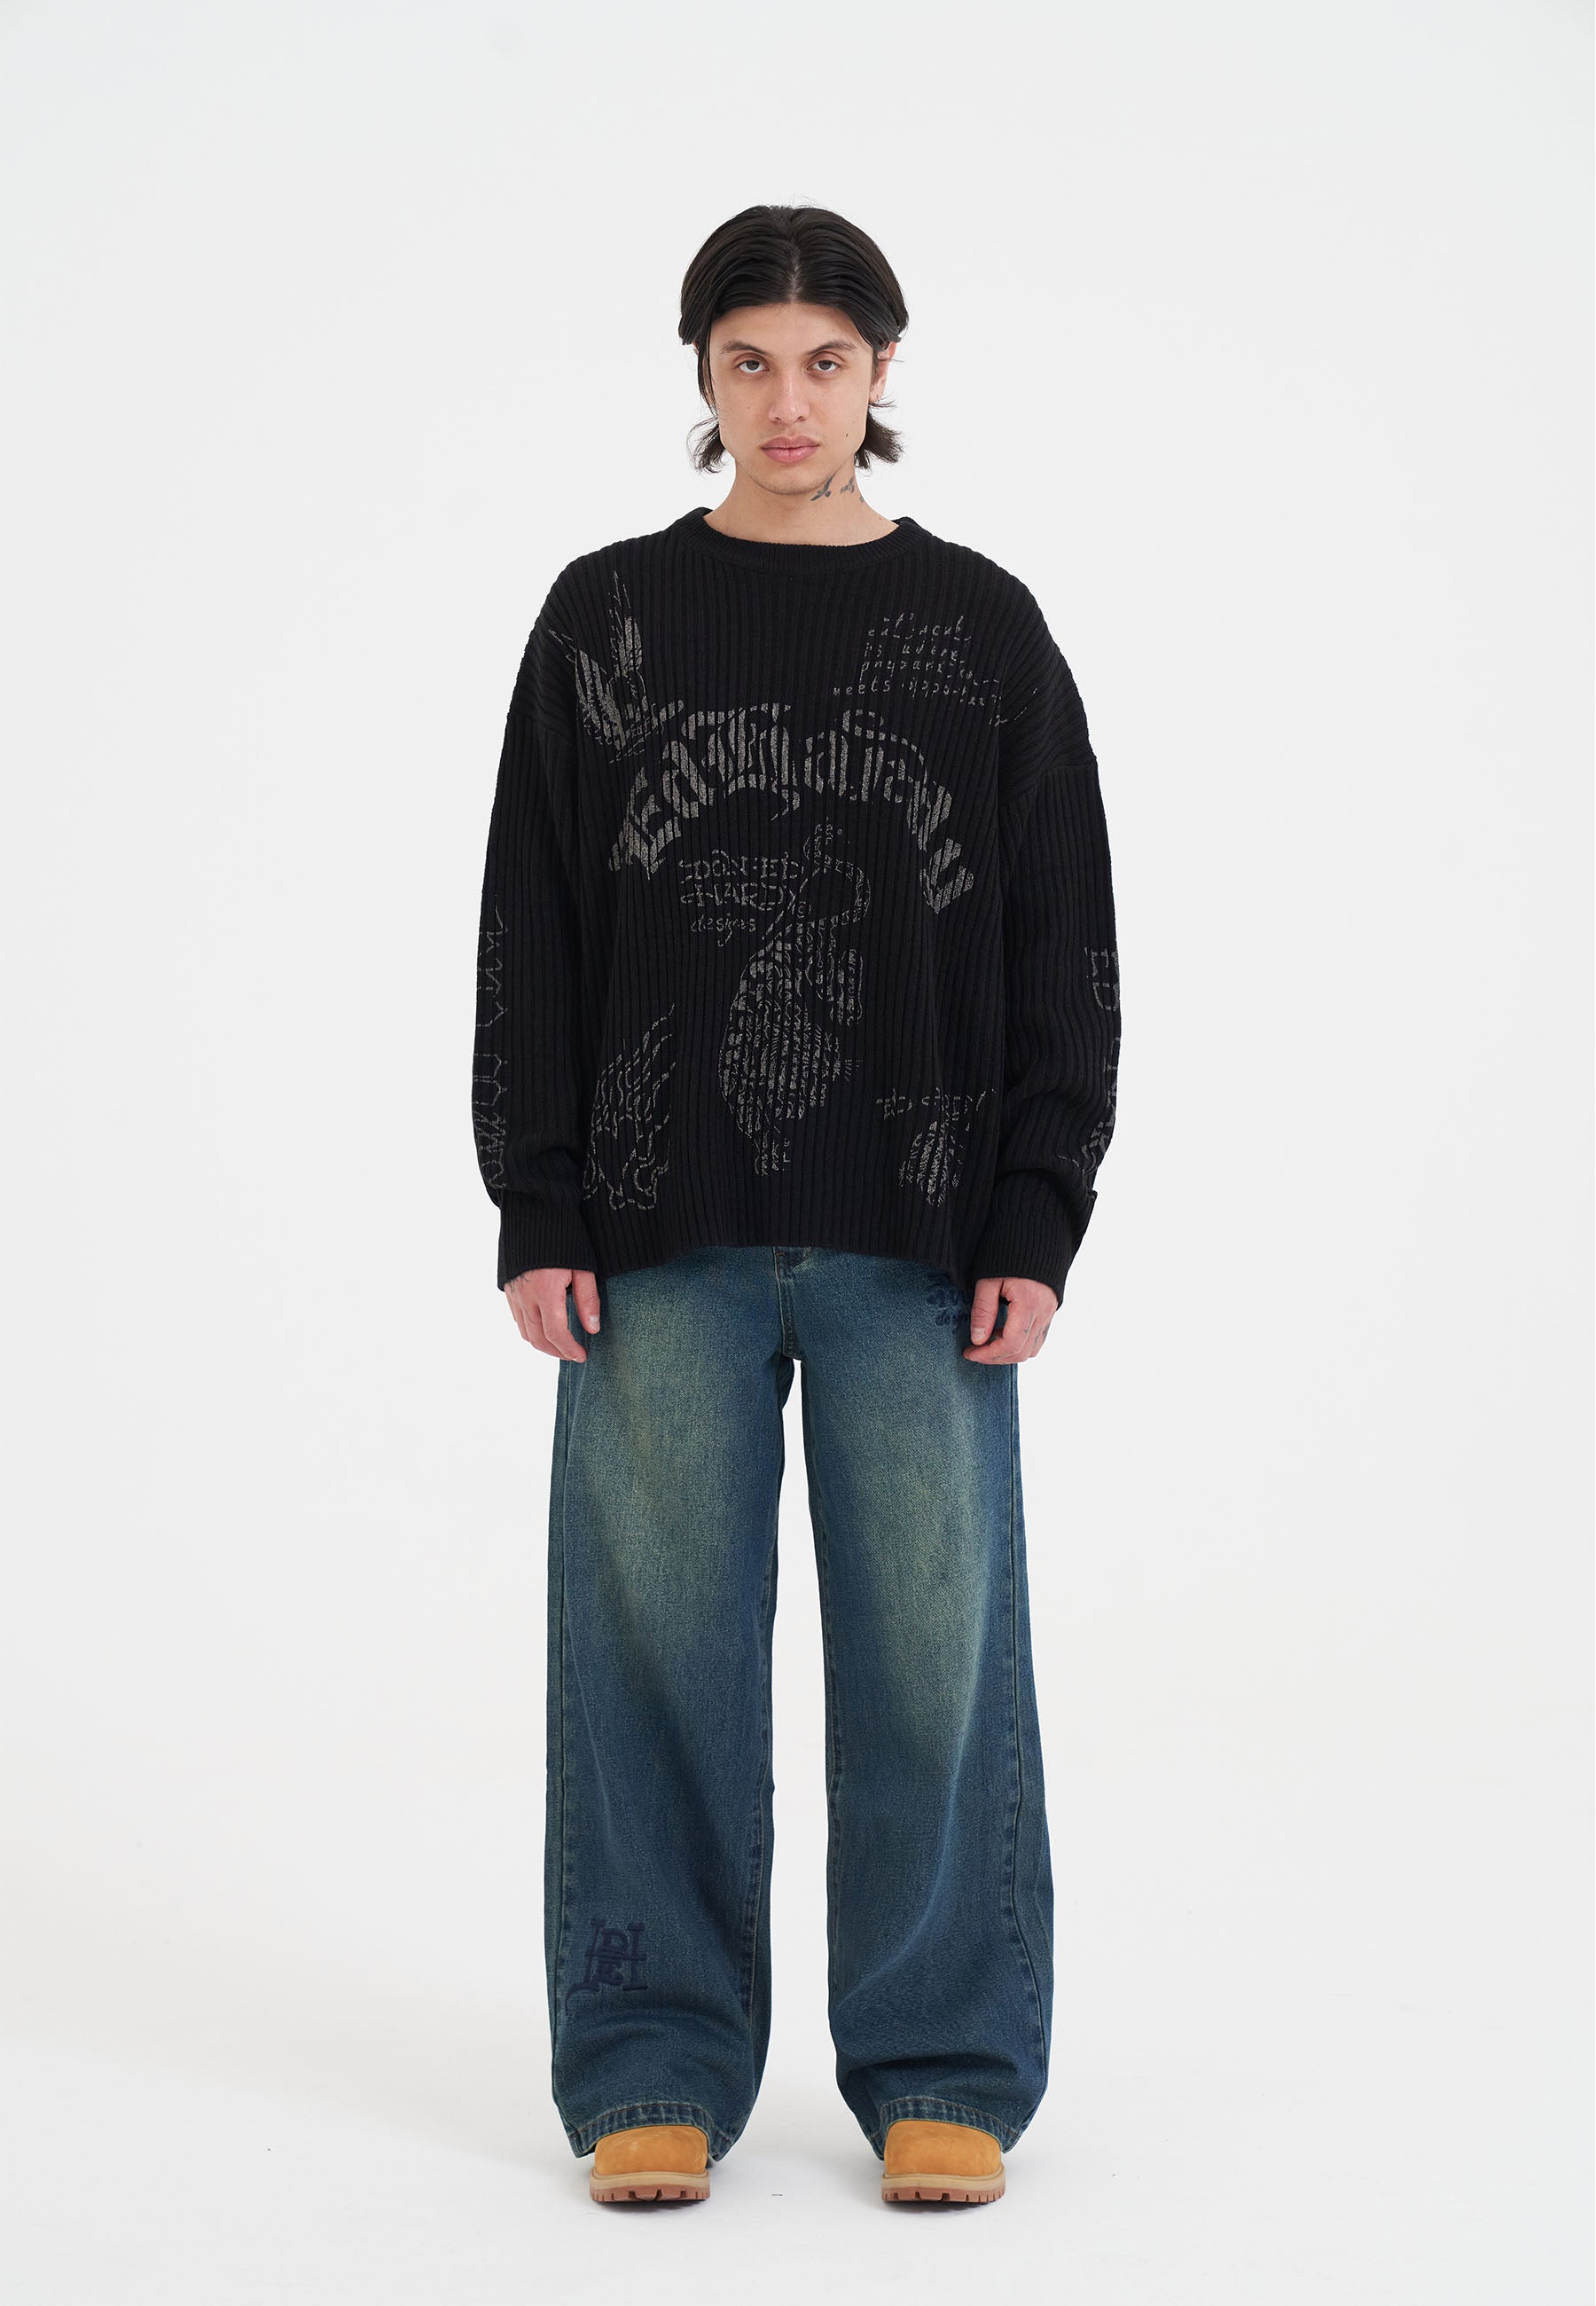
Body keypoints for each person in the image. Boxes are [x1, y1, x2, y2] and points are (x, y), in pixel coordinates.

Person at [471, 203, 1122, 2209]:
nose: (787, 399)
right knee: (650, 1656)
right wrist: (536, 1199)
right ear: (702, 374)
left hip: (921, 1239)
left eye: (825, 361)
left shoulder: (983, 630)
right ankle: (650, 2058)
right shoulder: (607, 618)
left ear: (882, 374)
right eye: (749, 359)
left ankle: (945, 2060)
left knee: (936, 1656)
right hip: (649, 1230)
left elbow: (1063, 937)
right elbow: (533, 923)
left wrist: (1036, 1212)